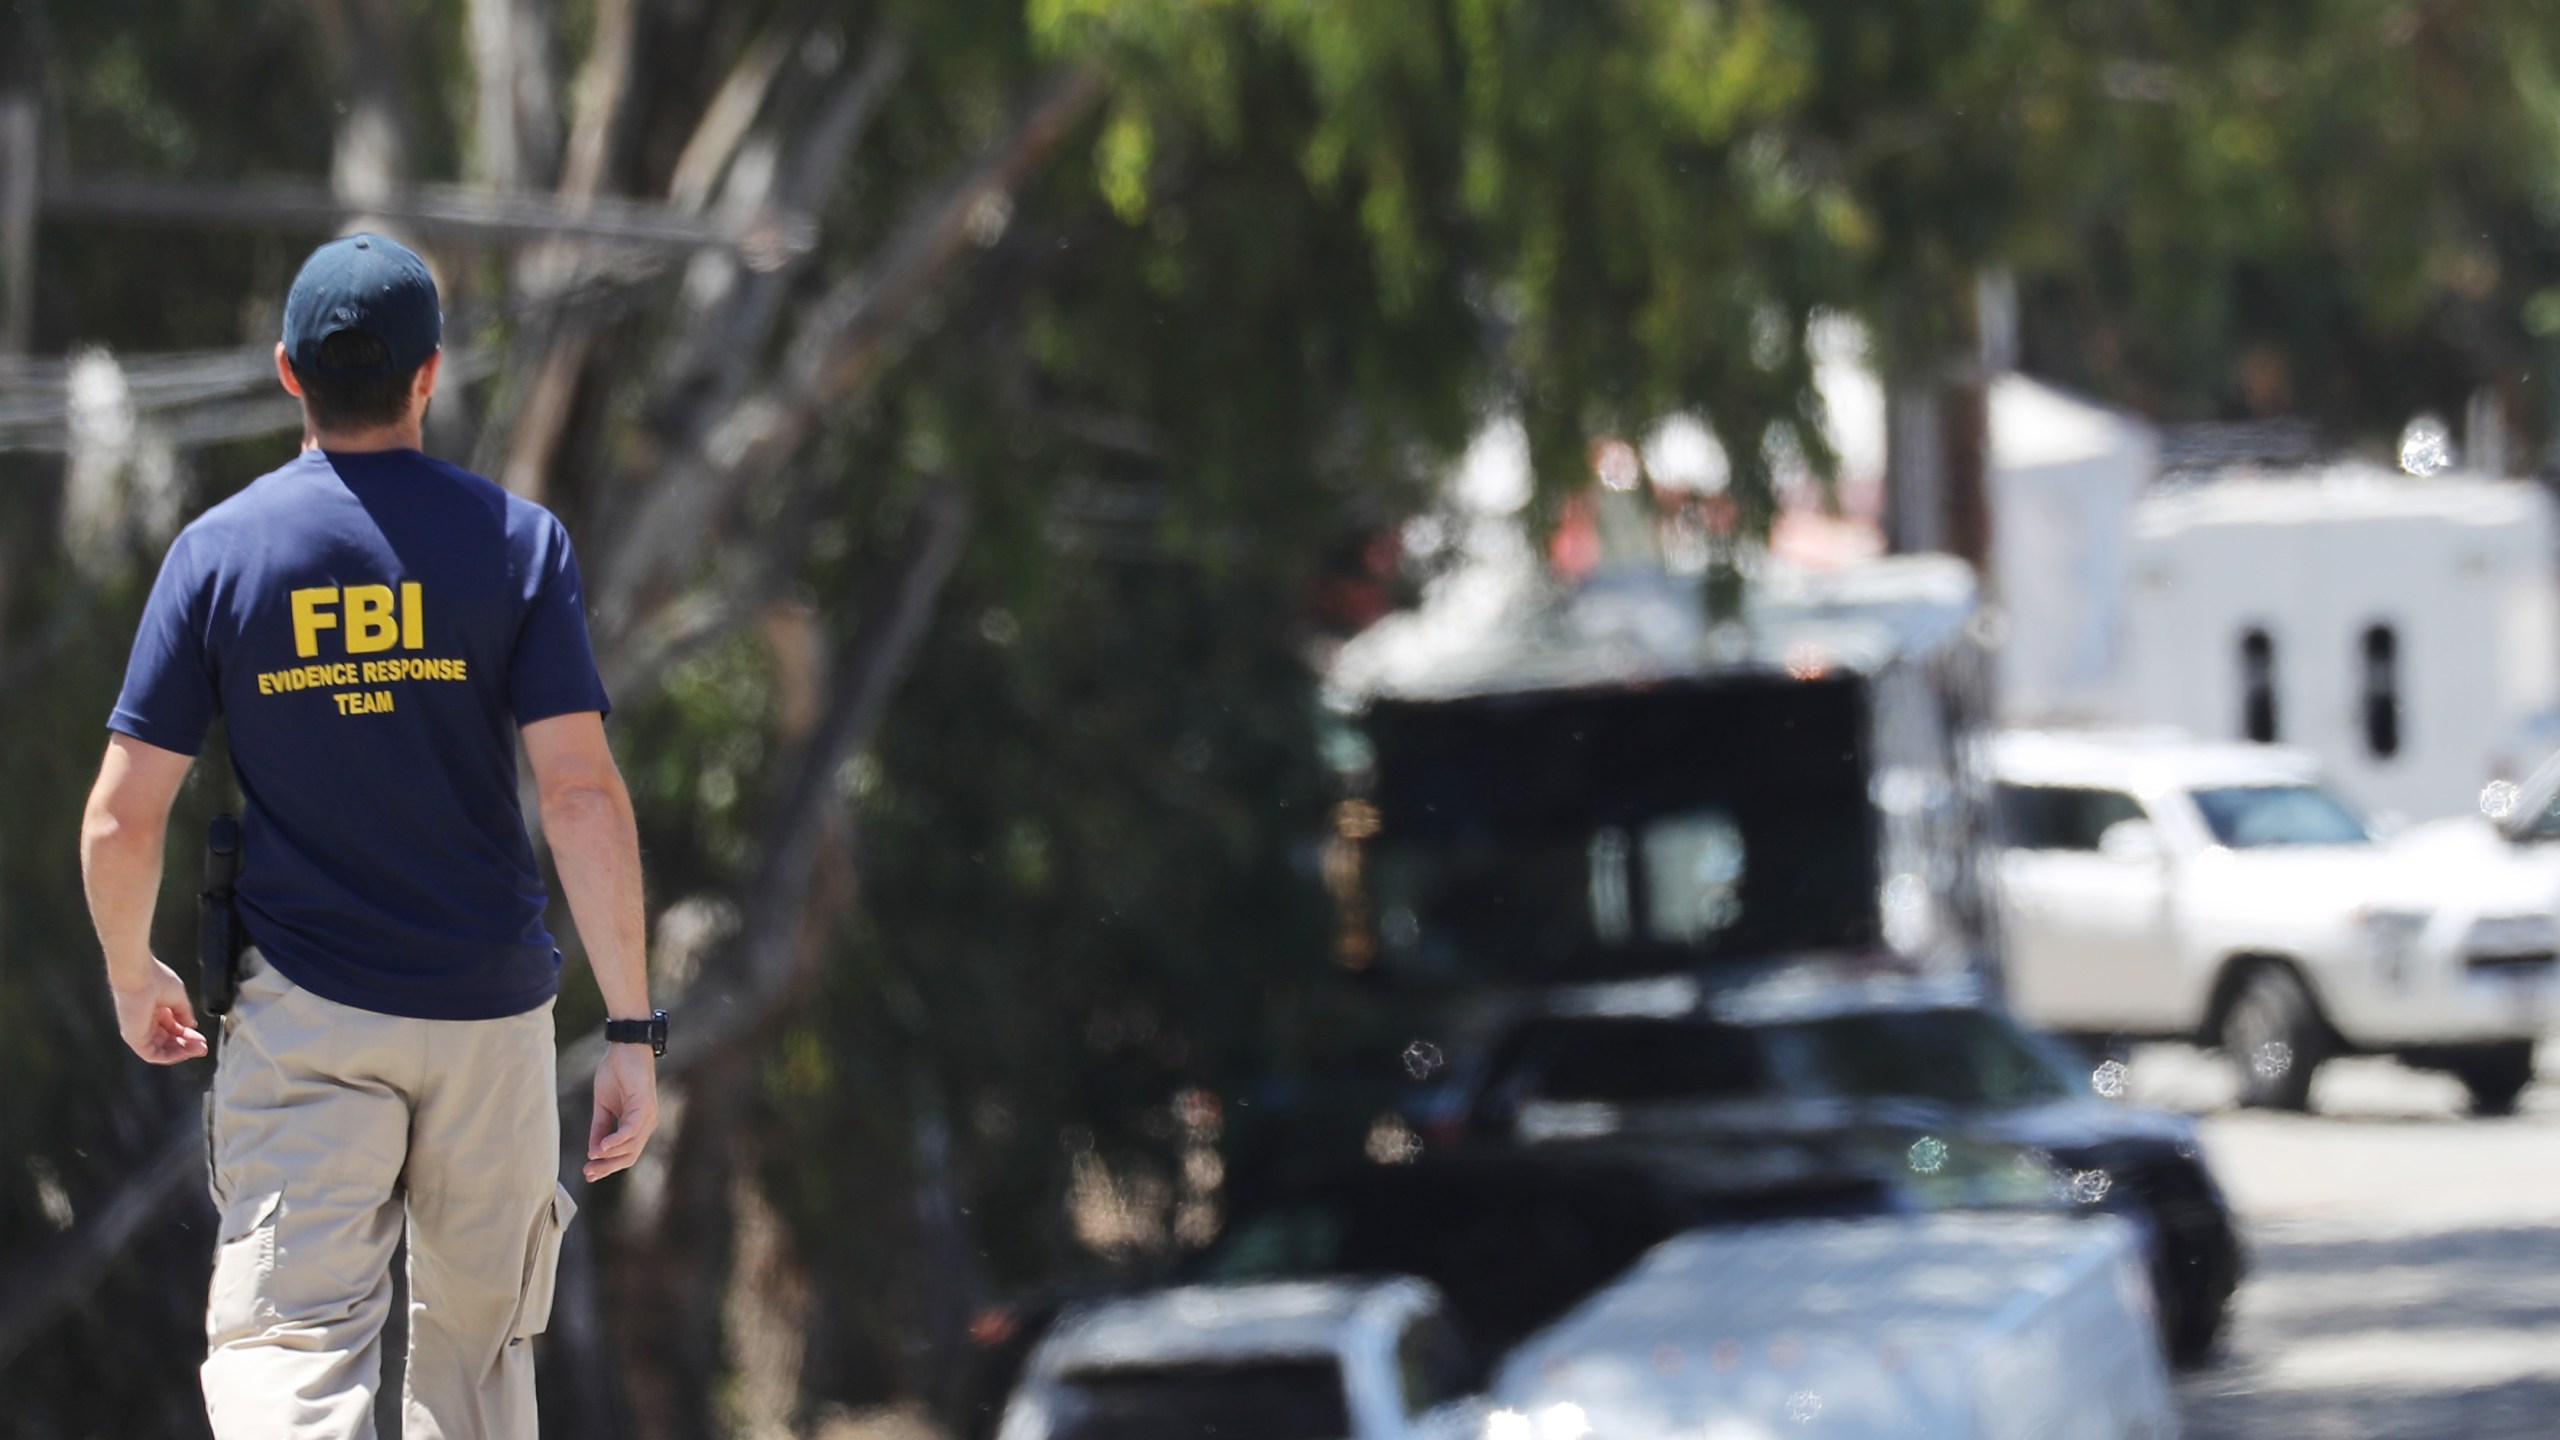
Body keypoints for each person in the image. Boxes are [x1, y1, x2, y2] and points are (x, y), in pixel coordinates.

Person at [77, 231, 663, 1439]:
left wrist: (133, 971)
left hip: (306, 1023)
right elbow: (583, 798)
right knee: (477, 1369)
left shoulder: (220, 556)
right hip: (490, 1014)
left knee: (291, 1355)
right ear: (429, 375)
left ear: (288, 372)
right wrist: (633, 1029)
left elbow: (123, 813)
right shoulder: (518, 545)